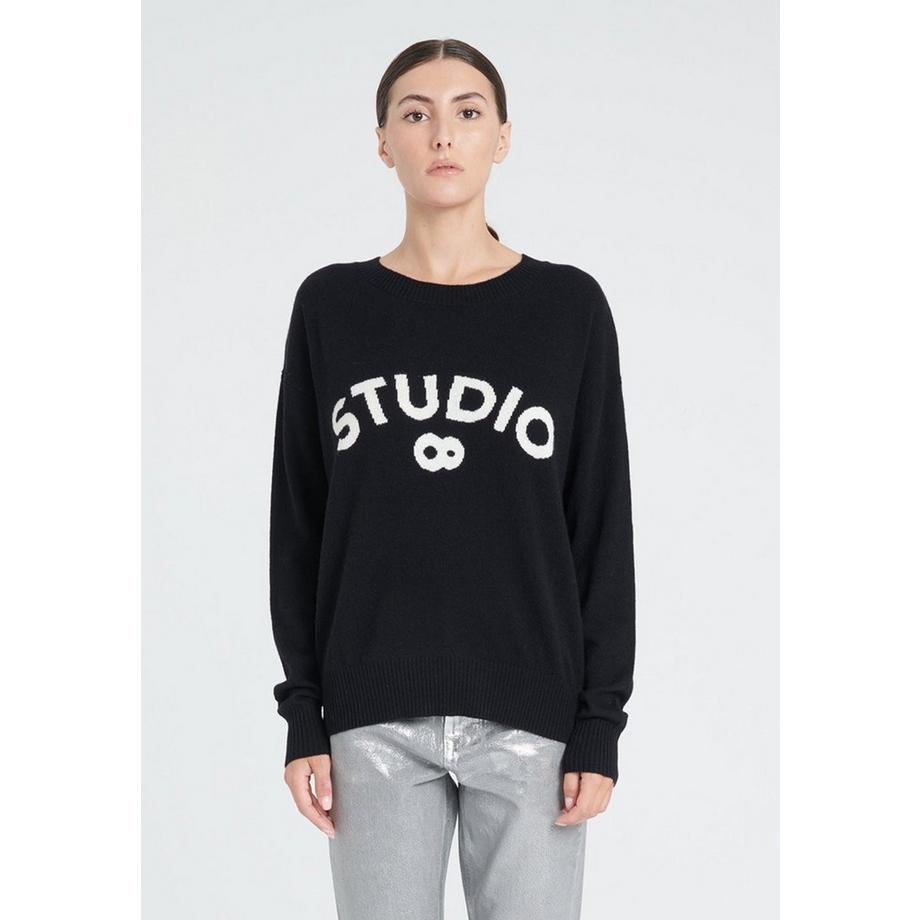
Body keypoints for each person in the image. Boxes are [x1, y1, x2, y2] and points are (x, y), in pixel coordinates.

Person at [269, 37, 636, 920]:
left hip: (533, 718)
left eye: (468, 112)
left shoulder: (568, 309)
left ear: (501, 137)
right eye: (416, 113)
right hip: (371, 717)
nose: (443, 134)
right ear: (383, 141)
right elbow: (299, 524)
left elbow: (600, 523)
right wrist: (304, 712)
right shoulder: (331, 307)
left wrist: (600, 721)